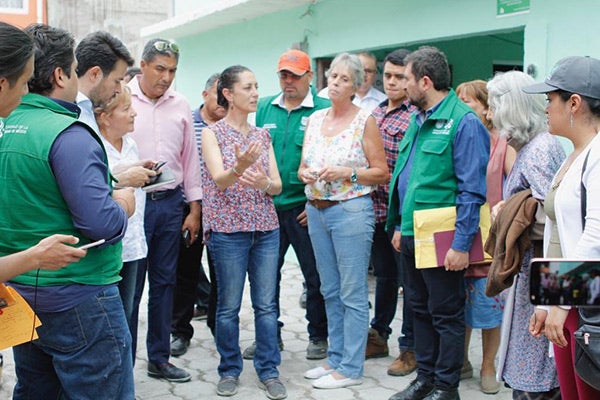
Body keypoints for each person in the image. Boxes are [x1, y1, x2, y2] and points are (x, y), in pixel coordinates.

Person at [0, 23, 135, 399]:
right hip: (80, 297)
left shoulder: (8, 126)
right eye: (75, 70)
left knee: (36, 389)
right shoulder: (68, 134)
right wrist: (123, 202)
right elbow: (100, 223)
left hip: (23, 293)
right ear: (60, 75)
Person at [387, 46, 489, 400]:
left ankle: (447, 388)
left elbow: (472, 191)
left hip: (443, 236)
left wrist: (462, 245)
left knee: (445, 313)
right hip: (414, 232)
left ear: (425, 82)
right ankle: (425, 379)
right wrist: (400, 226)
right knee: (418, 309)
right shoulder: (417, 118)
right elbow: (409, 179)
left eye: (407, 79)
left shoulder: (463, 122)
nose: (402, 86)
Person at [299, 52, 388, 389]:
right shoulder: (316, 118)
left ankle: (351, 367)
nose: (334, 83)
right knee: (329, 289)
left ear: (356, 86)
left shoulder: (363, 120)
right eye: (332, 76)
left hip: (350, 211)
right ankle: (335, 358)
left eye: (343, 79)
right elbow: (301, 167)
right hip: (316, 209)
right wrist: (305, 173)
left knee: (352, 291)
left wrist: (346, 172)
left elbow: (381, 172)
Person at [201, 65, 286, 399]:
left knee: (266, 305)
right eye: (248, 87)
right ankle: (229, 369)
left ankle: (269, 370)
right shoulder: (213, 133)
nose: (255, 93)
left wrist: (265, 182)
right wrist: (240, 166)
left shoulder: (262, 135)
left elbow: (277, 185)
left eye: (256, 86)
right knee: (228, 306)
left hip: (266, 229)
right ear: (228, 94)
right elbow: (219, 179)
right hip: (228, 231)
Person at [523, 56, 600, 400]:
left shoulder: (598, 156)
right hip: (572, 301)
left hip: (586, 305)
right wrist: (546, 301)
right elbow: (558, 237)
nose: (545, 109)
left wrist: (562, 302)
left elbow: (595, 236)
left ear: (574, 103)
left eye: (549, 99)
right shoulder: (576, 154)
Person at [247, 49, 330, 361]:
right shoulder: (265, 107)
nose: (288, 81)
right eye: (284, 74)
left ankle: (318, 335)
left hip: (303, 208)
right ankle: (270, 336)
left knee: (314, 274)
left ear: (309, 76)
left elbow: (329, 156)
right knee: (266, 275)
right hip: (268, 207)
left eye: (295, 75)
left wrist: (316, 202)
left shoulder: (322, 109)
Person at [486, 70, 565, 399]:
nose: (488, 115)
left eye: (492, 106)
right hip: (530, 277)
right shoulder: (532, 147)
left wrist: (510, 214)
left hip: (540, 278)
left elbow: (558, 222)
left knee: (538, 371)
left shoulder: (539, 150)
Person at [128, 38, 202, 382]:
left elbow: (190, 160)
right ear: (142, 65)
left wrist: (194, 209)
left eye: (172, 70)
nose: (166, 77)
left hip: (170, 205)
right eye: (160, 68)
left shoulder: (181, 104)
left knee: (164, 283)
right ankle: (122, 364)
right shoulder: (121, 98)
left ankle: (158, 358)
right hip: (131, 206)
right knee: (129, 287)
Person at [0, 21, 87, 282]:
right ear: (2, 84)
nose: (27, 92)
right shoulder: (67, 134)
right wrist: (35, 257)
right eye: (26, 82)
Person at [455, 79, 516, 394]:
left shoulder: (501, 142)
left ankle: (489, 365)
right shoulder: (457, 138)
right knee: (460, 300)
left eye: (469, 101)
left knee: (489, 301)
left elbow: (518, 184)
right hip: (460, 232)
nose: (463, 107)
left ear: (486, 108)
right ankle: (461, 360)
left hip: (491, 236)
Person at [367, 49, 418, 377]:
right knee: (384, 278)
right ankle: (378, 335)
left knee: (410, 284)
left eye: (400, 77)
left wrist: (402, 220)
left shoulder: (415, 116)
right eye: (387, 76)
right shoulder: (375, 113)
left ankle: (410, 347)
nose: (392, 82)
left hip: (401, 215)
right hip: (375, 211)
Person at [95, 82, 152, 355]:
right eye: (126, 109)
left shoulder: (130, 145)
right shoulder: (93, 147)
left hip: (133, 244)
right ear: (105, 117)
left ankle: (124, 382)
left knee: (129, 314)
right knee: (110, 321)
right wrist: (118, 177)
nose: (134, 114)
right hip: (108, 246)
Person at [170, 72, 225, 356]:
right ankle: (180, 330)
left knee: (221, 274)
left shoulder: (231, 124)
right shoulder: (186, 122)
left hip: (223, 211)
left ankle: (219, 326)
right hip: (189, 208)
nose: (223, 100)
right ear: (205, 94)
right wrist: (194, 209)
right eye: (218, 93)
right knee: (186, 273)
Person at [75, 30, 134, 133]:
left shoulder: (88, 110)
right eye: (117, 81)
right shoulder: (69, 112)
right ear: (95, 74)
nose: (119, 90)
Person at [319, 52, 386, 112]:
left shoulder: (384, 101)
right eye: (360, 71)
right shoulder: (324, 95)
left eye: (368, 71)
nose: (364, 74)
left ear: (375, 73)